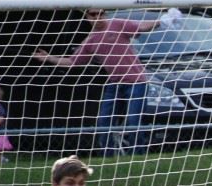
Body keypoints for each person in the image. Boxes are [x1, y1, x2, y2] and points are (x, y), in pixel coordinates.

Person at [33, 8, 179, 156]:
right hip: (114, 84)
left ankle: (138, 155)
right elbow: (72, 61)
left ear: (105, 14)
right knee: (103, 122)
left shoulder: (117, 24)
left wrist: (162, 21)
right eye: (93, 14)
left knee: (133, 121)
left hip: (136, 82)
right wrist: (49, 58)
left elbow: (140, 26)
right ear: (87, 18)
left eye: (100, 13)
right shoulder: (90, 40)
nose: (98, 17)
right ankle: (107, 156)